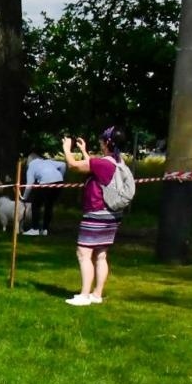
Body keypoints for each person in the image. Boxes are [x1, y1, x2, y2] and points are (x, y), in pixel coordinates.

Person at [61, 126, 127, 306]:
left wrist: (67, 149)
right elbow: (93, 166)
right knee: (101, 255)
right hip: (112, 215)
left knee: (84, 252)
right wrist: (83, 151)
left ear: (107, 143)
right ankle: (96, 294)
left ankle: (84, 295)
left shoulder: (103, 163)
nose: (100, 144)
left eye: (101, 141)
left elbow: (74, 166)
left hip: (96, 213)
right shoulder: (117, 163)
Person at [23, 147, 67, 236]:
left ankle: (35, 229)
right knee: (49, 206)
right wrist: (60, 177)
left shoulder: (31, 166)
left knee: (35, 204)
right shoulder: (47, 161)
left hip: (45, 183)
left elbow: (29, 184)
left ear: (29, 160)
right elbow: (63, 165)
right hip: (58, 182)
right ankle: (45, 229)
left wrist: (24, 197)